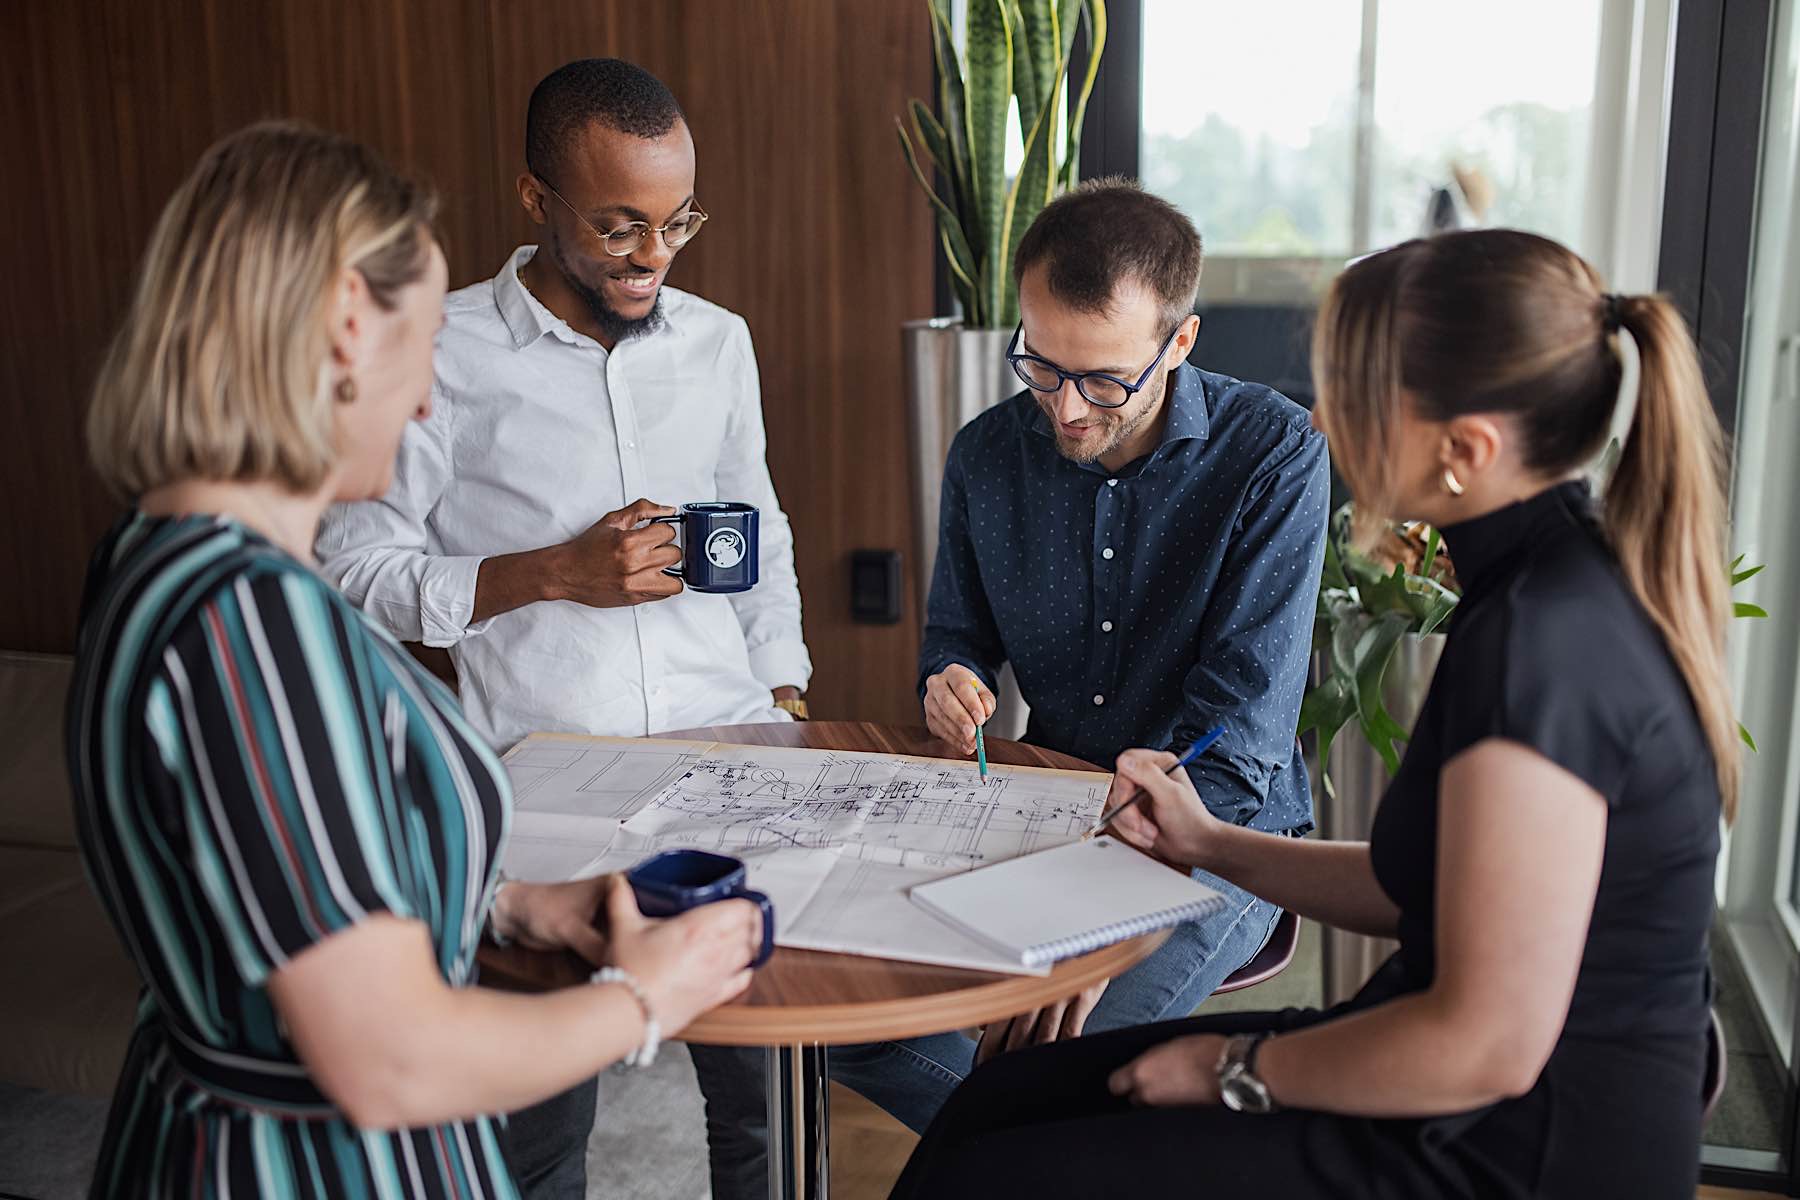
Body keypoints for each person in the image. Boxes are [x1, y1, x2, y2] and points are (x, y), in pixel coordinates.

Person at [889, 228, 1735, 1199]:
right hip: (1454, 1077)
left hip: (1510, 1142)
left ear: (1465, 450)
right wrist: (1206, 843)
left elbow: (1488, 1048)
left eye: (1357, 399)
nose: (1326, 424)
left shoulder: (1542, 645)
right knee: (989, 1107)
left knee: (991, 1173)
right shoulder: (1545, 586)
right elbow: (1428, 888)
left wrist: (1237, 1070)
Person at [67, 120, 761, 1199]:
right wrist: (645, 1000)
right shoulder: (255, 621)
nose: (432, 398)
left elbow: (282, 872)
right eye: (421, 351)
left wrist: (518, 906)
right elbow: (392, 1061)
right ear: (350, 323)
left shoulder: (156, 555)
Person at [682, 178, 1328, 1191]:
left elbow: (1236, 744)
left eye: (1105, 380)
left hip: (1217, 841)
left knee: (1059, 1083)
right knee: (839, 1023)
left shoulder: (1274, 457)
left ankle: (1048, 1144)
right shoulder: (988, 450)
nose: (1065, 407)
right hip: (1042, 810)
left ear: (1182, 342)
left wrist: (1097, 920)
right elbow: (955, 636)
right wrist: (950, 680)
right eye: (1041, 364)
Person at [314, 59, 813, 1195]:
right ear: (537, 201)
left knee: (767, 1108)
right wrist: (549, 574)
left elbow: (763, 531)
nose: (654, 255)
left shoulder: (716, 341)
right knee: (536, 1142)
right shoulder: (437, 350)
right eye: (621, 224)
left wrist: (780, 695)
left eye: (677, 220)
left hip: (729, 758)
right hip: (541, 786)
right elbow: (349, 566)